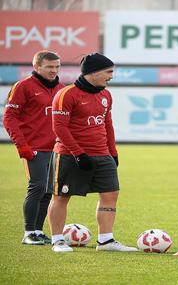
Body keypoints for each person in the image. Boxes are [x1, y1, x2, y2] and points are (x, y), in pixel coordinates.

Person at [47, 53, 137, 252]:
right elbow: (59, 128)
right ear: (93, 73)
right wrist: (79, 153)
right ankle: (57, 240)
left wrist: (113, 153)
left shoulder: (105, 94)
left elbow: (107, 124)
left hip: (102, 154)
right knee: (61, 197)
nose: (111, 76)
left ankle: (106, 241)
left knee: (110, 194)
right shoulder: (66, 94)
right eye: (109, 72)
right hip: (70, 155)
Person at [3, 50, 64, 245]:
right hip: (34, 148)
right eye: (49, 67)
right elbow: (9, 118)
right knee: (36, 187)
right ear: (37, 67)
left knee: (49, 191)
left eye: (57, 67)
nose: (54, 71)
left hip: (56, 149)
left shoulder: (61, 88)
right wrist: (22, 146)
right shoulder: (23, 87)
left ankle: (38, 231)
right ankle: (28, 232)